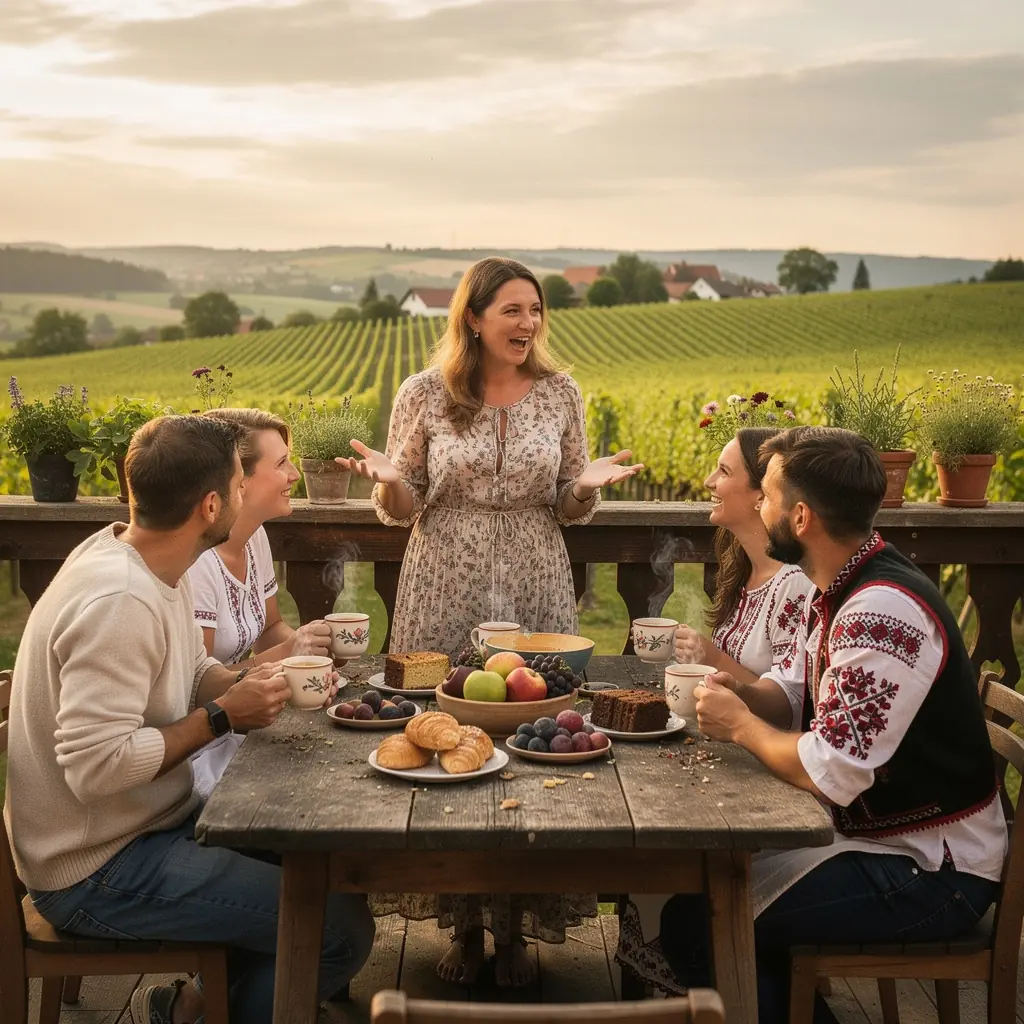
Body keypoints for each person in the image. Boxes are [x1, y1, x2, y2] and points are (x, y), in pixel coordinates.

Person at [4, 415, 374, 1024]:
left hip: (152, 822)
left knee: (330, 863)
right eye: (236, 484)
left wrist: (244, 682)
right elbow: (95, 770)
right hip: (97, 864)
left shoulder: (148, 558)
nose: (242, 495)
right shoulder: (118, 603)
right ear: (209, 505)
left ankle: (201, 1005)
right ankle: (200, 1015)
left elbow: (192, 667)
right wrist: (224, 715)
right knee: (337, 930)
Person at [339, 256, 643, 987]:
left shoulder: (561, 391)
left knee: (535, 733)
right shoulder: (424, 394)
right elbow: (403, 503)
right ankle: (465, 925)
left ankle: (519, 929)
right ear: (473, 317)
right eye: (512, 309)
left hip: (536, 572)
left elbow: (570, 501)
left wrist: (582, 489)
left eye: (535, 309)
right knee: (448, 736)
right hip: (445, 575)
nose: (529, 323)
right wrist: (391, 486)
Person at [660, 426, 1006, 1024]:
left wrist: (741, 726)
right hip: (885, 841)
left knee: (700, 921)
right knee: (706, 888)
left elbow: (832, 773)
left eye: (766, 496)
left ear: (799, 518)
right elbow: (794, 696)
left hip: (934, 871)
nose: (760, 508)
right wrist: (735, 688)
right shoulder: (845, 582)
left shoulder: (879, 613)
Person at [616, 428, 811, 995]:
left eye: (723, 472)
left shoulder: (794, 584)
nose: (708, 482)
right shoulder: (748, 575)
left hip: (769, 782)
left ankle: (688, 991)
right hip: (732, 760)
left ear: (762, 495)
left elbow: (789, 706)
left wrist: (711, 656)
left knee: (650, 848)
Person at [188, 408, 332, 802]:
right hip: (198, 754)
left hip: (237, 734)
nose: (294, 475)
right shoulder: (196, 563)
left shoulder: (255, 539)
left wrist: (311, 656)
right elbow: (194, 688)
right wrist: (291, 654)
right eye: (282, 463)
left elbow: (270, 629)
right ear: (240, 481)